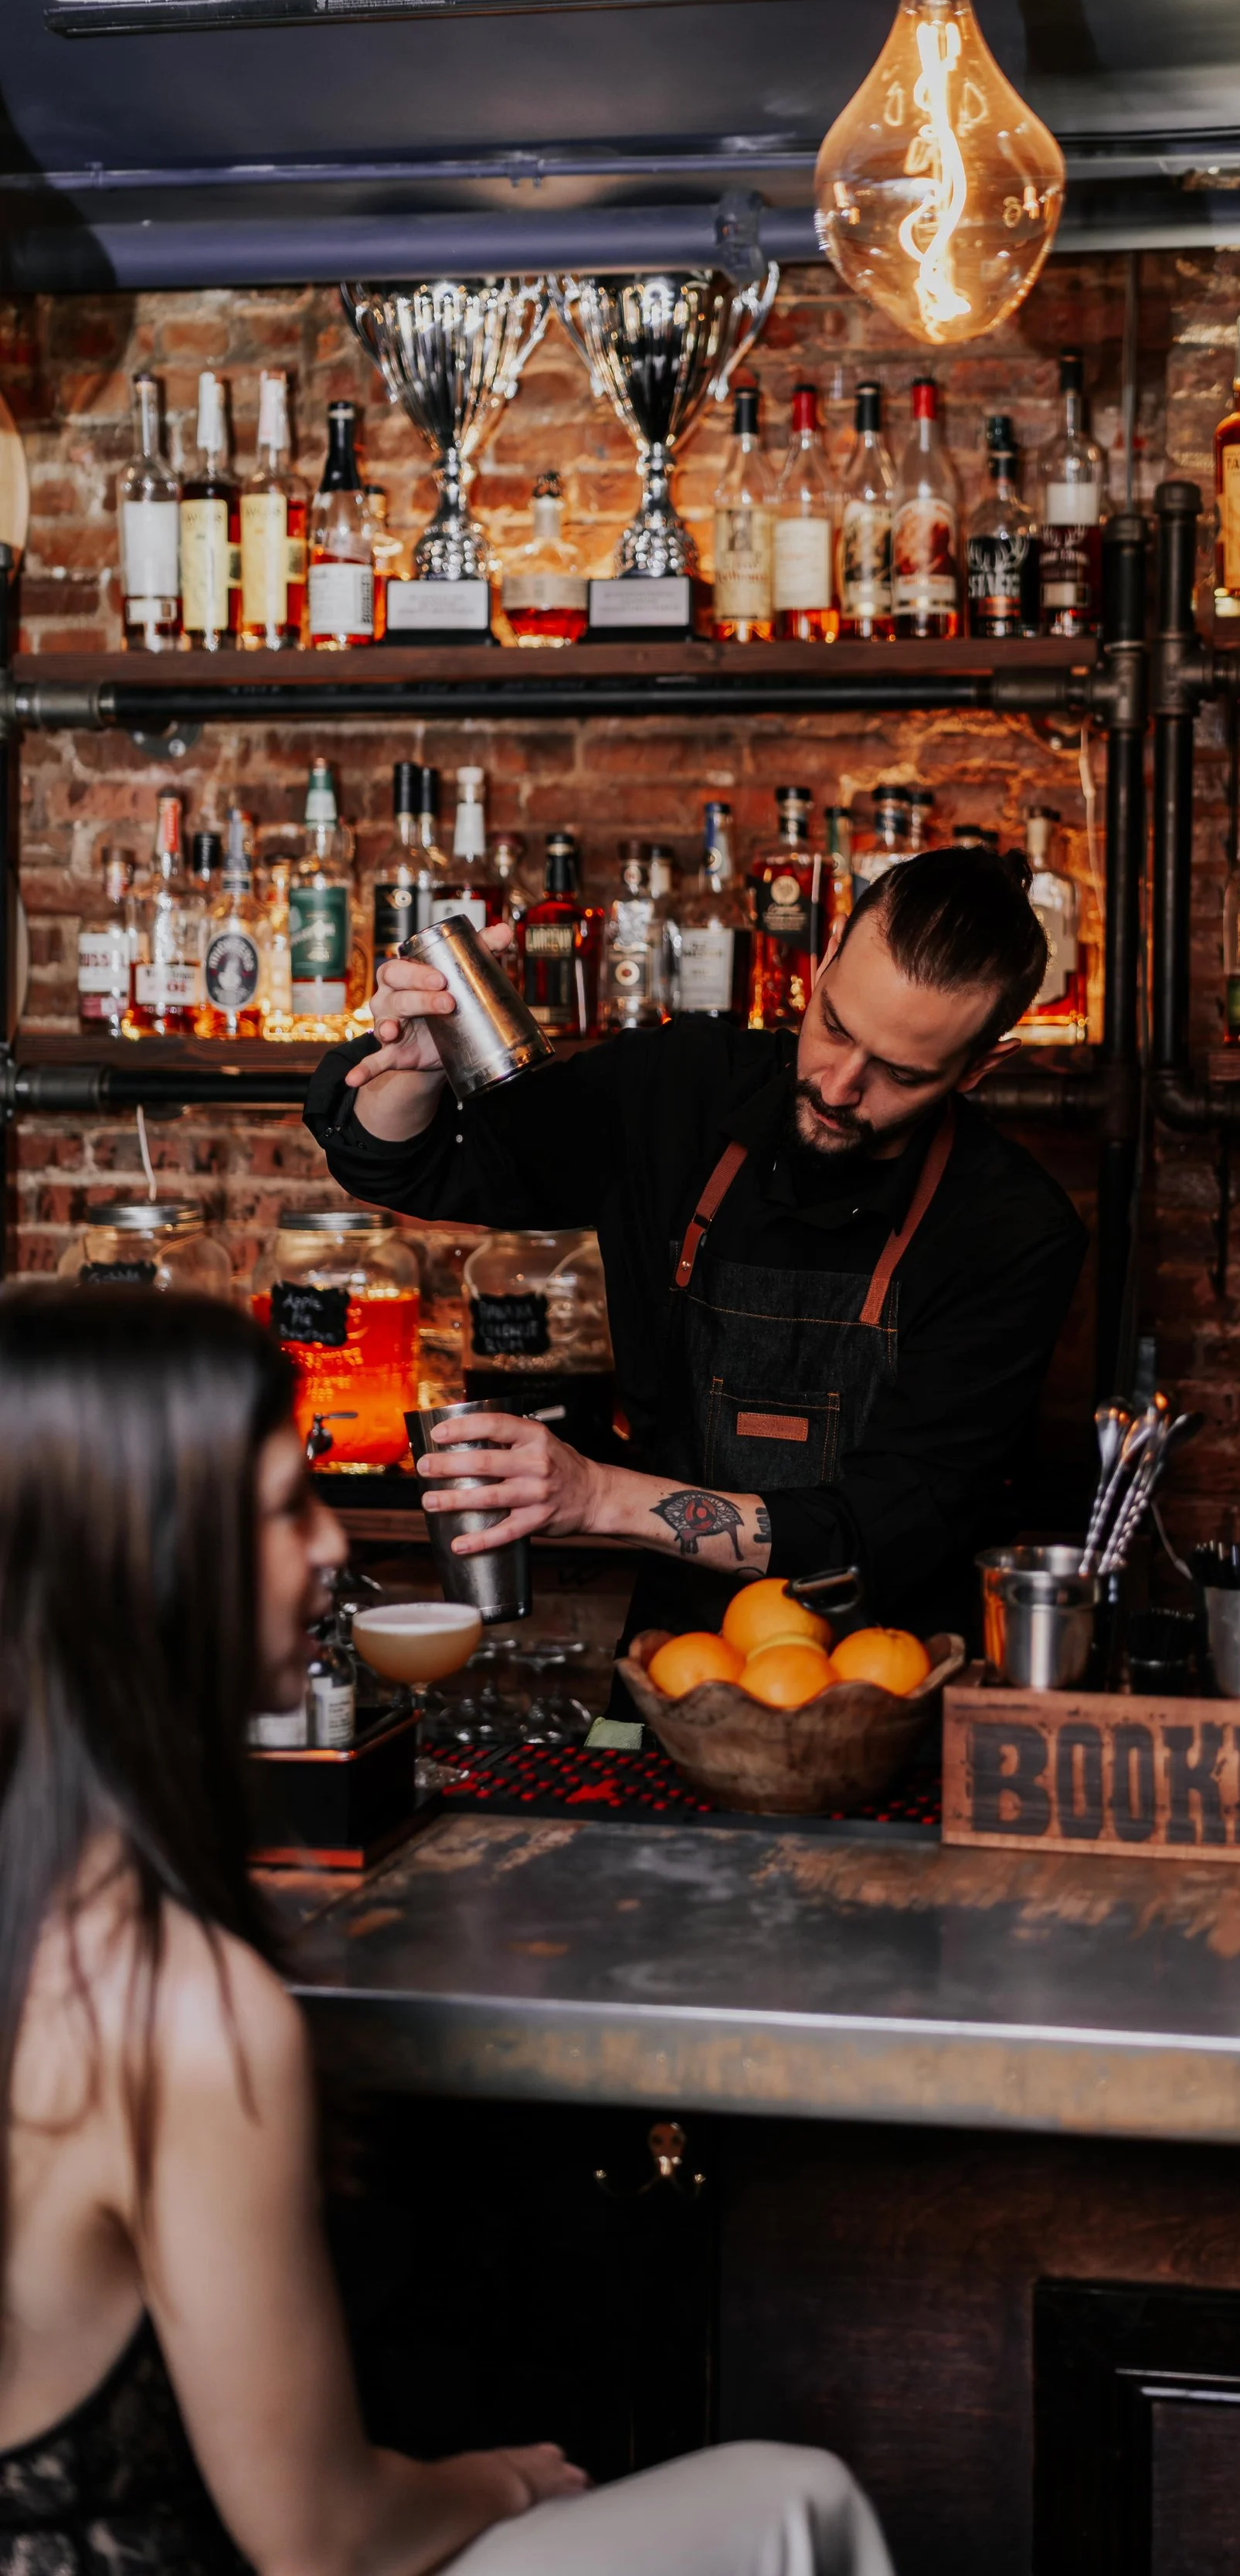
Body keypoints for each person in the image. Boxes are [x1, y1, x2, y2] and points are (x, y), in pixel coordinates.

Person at [0, 1285, 893, 2576]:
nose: (324, 1547)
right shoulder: (170, 2011)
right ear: (137, 1562)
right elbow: (322, 2543)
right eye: (274, 1507)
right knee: (794, 2501)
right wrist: (499, 2481)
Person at [305, 846, 1087, 1684]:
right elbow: (409, 1162)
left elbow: (881, 1529)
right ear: (821, 965)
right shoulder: (677, 1091)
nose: (838, 1085)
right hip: (672, 1671)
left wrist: (599, 1495)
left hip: (897, 1683)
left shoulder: (1011, 1229)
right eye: (834, 1026)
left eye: (900, 1073)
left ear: (979, 1067)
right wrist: (417, 1066)